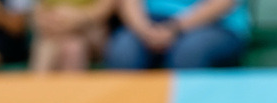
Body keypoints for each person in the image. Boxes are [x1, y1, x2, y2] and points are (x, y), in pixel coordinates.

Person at [104, 0, 249, 70]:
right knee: (123, 51)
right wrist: (143, 29)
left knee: (189, 52)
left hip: (214, 24)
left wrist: (175, 28)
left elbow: (223, 3)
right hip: (149, 21)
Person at [29, 0, 115, 72]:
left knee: (74, 48)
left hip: (90, 30)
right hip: (53, 33)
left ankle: (71, 90)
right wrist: (49, 20)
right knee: (45, 49)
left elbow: (104, 9)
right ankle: (38, 88)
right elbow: (39, 11)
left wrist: (78, 18)